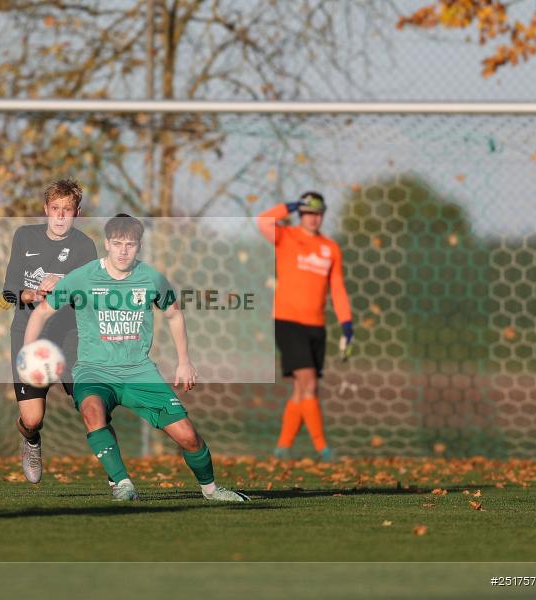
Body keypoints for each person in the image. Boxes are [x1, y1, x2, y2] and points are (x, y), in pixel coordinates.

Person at [24, 214, 248, 502]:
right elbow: (43, 311)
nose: (123, 250)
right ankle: (122, 484)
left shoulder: (152, 278)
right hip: (94, 371)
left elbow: (174, 314)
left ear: (138, 246)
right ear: (106, 244)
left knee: (188, 437)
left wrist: (184, 361)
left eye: (130, 244)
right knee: (92, 412)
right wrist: (29, 351)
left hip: (139, 372)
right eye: (117, 243)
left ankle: (211, 490)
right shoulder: (83, 277)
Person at [2, 180, 97, 483]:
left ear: (76, 213)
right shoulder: (25, 237)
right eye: (55, 209)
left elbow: (91, 296)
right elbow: (9, 290)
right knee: (33, 418)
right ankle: (31, 440)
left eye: (67, 210)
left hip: (69, 335)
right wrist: (34, 294)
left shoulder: (85, 246)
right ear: (45, 210)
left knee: (91, 404)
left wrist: (65, 287)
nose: (60, 216)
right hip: (28, 333)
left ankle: (118, 479)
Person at [256, 191, 353, 461]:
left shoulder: (331, 248)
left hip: (316, 325)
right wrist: (288, 206)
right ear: (301, 213)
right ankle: (323, 448)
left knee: (304, 389)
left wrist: (347, 324)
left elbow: (338, 288)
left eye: (318, 213)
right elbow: (263, 220)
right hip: (287, 321)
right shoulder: (286, 236)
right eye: (308, 212)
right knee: (308, 383)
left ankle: (282, 447)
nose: (314, 218)